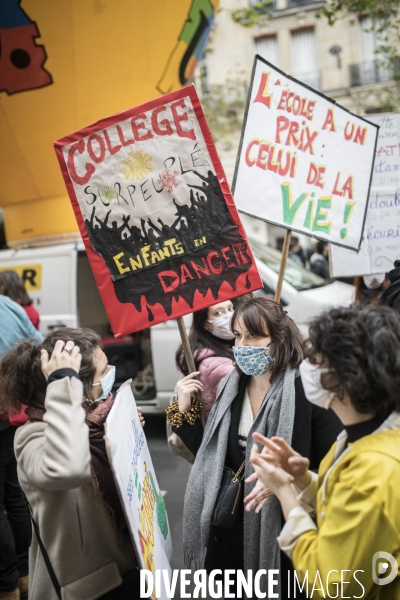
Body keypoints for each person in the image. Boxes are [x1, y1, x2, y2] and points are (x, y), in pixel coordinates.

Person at [167, 297, 342, 597]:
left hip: (282, 531)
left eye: (254, 335)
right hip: (230, 529)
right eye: (238, 335)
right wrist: (182, 412)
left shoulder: (308, 390)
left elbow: (334, 468)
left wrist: (286, 482)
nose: (244, 344)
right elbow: (211, 460)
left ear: (279, 338)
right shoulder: (230, 386)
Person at [249, 305, 400, 599]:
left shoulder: (373, 470)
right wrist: (302, 478)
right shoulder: (360, 436)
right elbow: (345, 502)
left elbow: (329, 583)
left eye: (316, 361)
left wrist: (285, 492)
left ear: (345, 378)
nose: (307, 367)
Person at [0, 328, 144, 600]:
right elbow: (70, 467)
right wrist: (62, 381)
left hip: (128, 570)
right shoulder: (30, 437)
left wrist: (122, 433)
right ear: (74, 388)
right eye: (103, 373)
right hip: (86, 589)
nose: (111, 373)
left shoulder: (96, 422)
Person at [0, 295, 42, 600]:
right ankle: (25, 574)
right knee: (15, 496)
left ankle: (6, 584)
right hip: (15, 412)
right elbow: (38, 344)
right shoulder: (7, 304)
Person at [175, 299, 235, 417]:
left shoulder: (222, 347)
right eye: (218, 313)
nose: (229, 315)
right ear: (206, 324)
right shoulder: (218, 366)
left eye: (230, 308)